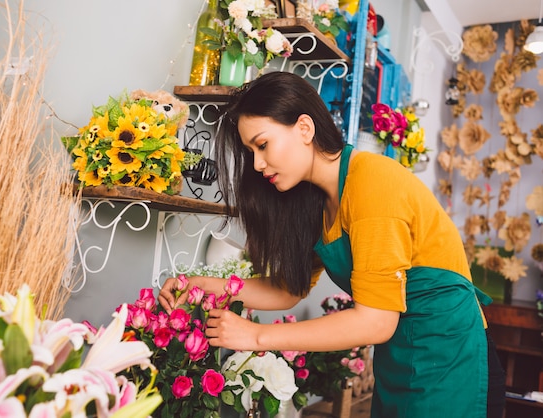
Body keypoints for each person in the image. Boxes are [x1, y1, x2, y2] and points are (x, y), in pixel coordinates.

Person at [158, 71, 505, 418]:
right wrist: (201, 285)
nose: (257, 164)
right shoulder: (317, 201)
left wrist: (257, 336)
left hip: (451, 354)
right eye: (250, 152)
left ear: (305, 128)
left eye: (262, 145)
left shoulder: (371, 182)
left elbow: (376, 322)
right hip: (401, 355)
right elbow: (287, 290)